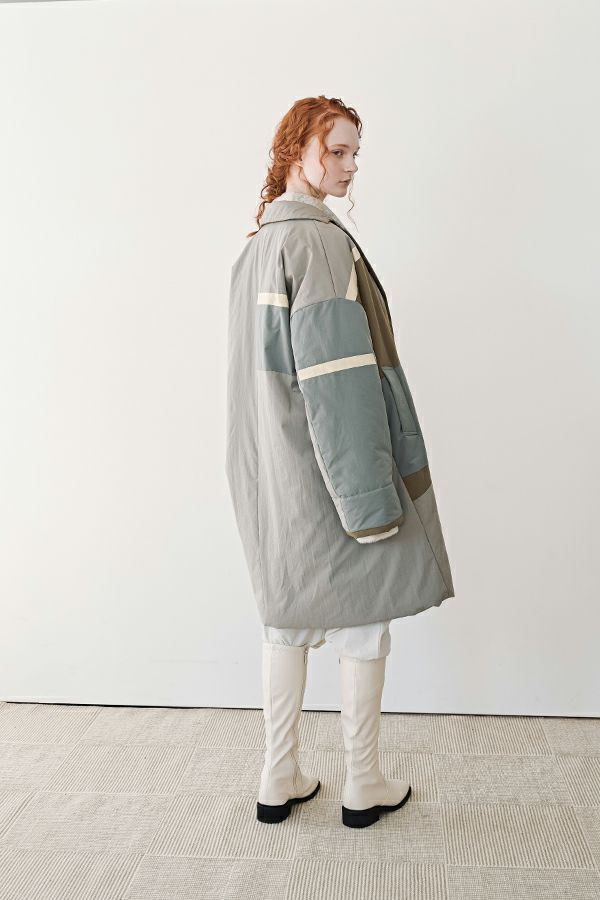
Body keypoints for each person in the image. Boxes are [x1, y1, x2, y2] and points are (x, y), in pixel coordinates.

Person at [225, 95, 455, 829]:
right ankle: (362, 783)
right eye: (338, 151)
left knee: (287, 619)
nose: (352, 166)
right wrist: (370, 501)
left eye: (357, 153)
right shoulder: (320, 245)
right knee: (363, 620)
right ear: (296, 151)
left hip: (273, 472)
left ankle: (278, 776)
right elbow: (340, 384)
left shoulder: (258, 246)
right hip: (331, 470)